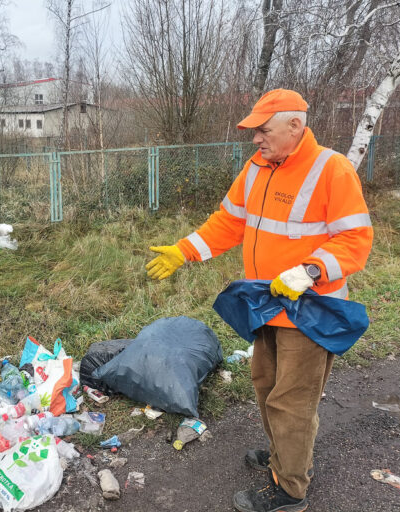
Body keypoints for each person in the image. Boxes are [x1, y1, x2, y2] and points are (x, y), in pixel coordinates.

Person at [145, 89, 373, 512]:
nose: (256, 139)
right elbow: (229, 222)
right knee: (267, 387)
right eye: (254, 132)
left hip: (311, 311)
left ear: (295, 126)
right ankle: (285, 458)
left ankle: (290, 490)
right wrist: (184, 250)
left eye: (263, 130)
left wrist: (309, 271)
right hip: (266, 303)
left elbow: (355, 239)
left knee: (292, 401)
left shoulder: (331, 169)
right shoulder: (257, 169)